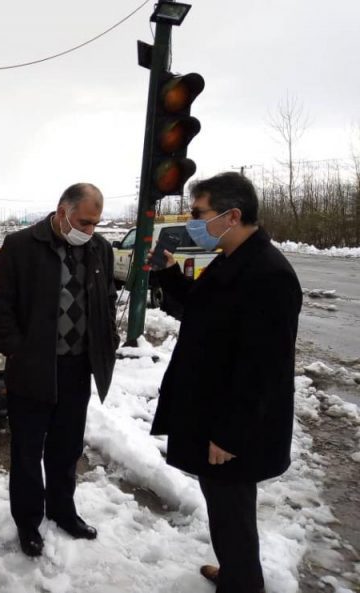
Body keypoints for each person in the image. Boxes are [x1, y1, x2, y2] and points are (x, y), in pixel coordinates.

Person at [150, 172, 302, 592]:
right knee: (224, 508)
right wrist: (168, 274)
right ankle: (235, 571)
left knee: (232, 511)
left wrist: (231, 435)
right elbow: (204, 313)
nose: (193, 222)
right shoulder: (233, 259)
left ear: (232, 215)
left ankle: (243, 583)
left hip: (234, 427)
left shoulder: (269, 274)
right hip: (213, 412)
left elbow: (264, 368)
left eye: (199, 213)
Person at [0, 183, 119, 557]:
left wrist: (106, 337)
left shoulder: (100, 249)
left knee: (66, 448)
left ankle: (64, 511)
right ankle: (28, 522)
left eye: (95, 223)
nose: (89, 230)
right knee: (28, 451)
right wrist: (18, 352)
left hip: (77, 367)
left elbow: (106, 298)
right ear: (62, 211)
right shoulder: (21, 245)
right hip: (33, 369)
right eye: (84, 222)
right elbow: (1, 306)